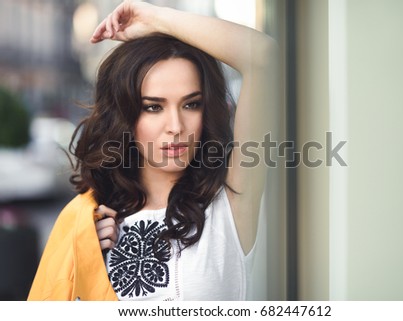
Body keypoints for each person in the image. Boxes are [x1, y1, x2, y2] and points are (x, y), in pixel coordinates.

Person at [28, 0, 277, 301]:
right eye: (153, 107)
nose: (175, 125)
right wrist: (85, 258)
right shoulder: (91, 227)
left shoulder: (231, 204)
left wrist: (156, 18)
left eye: (191, 104)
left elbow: (265, 57)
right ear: (125, 117)